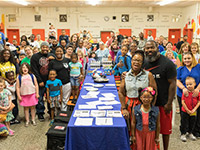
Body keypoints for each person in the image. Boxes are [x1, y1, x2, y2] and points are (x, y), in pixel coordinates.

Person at [143, 40, 177, 150]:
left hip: (164, 103)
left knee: (165, 130)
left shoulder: (168, 64)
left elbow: (173, 84)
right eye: (147, 48)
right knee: (150, 129)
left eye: (151, 48)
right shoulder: (144, 62)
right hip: (149, 103)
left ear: (157, 48)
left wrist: (169, 103)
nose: (149, 50)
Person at [118, 50, 157, 145]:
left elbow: (154, 92)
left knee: (143, 131)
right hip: (129, 105)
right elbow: (121, 92)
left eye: (139, 60)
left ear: (142, 63)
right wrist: (124, 108)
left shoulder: (148, 75)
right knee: (130, 131)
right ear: (131, 61)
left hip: (144, 106)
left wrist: (150, 108)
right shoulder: (126, 75)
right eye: (134, 60)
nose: (136, 62)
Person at [176, 52, 200, 138]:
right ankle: (183, 132)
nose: (187, 60)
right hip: (183, 95)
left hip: (196, 94)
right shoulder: (180, 69)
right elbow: (177, 80)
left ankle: (193, 131)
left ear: (192, 58)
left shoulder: (198, 67)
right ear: (183, 59)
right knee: (184, 114)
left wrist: (197, 89)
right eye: (185, 58)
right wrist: (183, 88)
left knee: (195, 114)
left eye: (189, 58)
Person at [31, 41, 54, 121]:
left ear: (48, 48)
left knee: (49, 98)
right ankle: (40, 113)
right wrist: (39, 80)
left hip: (50, 82)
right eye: (43, 47)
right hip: (39, 81)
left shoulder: (51, 56)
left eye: (46, 47)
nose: (45, 48)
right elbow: (34, 70)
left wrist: (53, 59)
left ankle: (50, 112)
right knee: (40, 99)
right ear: (41, 48)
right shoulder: (35, 57)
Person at [48, 46, 71, 111]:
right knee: (58, 100)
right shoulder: (52, 62)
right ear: (55, 52)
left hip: (66, 83)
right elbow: (49, 74)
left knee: (65, 99)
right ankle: (57, 115)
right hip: (56, 85)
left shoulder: (67, 60)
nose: (59, 52)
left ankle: (64, 113)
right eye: (57, 51)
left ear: (63, 52)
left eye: (60, 51)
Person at [180, 77, 200, 142]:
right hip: (185, 111)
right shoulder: (185, 92)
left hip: (193, 111)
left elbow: (199, 102)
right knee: (184, 122)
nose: (188, 86)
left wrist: (194, 109)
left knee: (192, 122)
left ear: (195, 84)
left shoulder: (197, 93)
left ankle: (190, 133)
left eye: (190, 84)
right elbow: (182, 102)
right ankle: (183, 133)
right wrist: (187, 110)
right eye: (187, 84)